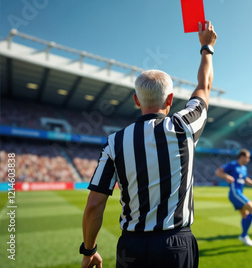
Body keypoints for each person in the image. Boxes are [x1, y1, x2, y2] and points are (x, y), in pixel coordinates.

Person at [80, 21, 217, 268]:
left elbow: (94, 205)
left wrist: (89, 249)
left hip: (131, 248)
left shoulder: (115, 142)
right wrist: (206, 47)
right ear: (171, 99)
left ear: (136, 100)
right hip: (176, 245)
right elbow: (204, 87)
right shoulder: (184, 126)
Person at [215, 149, 252, 246]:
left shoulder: (244, 168)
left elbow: (245, 179)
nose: (249, 159)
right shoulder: (232, 165)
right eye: (247, 157)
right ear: (242, 157)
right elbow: (218, 172)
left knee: (245, 216)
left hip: (238, 193)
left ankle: (244, 235)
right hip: (235, 193)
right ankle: (244, 235)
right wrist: (226, 176)